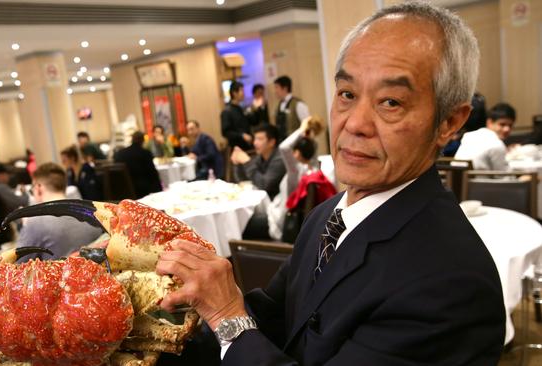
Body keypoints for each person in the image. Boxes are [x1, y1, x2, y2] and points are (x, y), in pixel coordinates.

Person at [156, 3, 505, 365]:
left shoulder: (450, 281)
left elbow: (237, 321)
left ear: (449, 122)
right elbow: (274, 314)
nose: (355, 124)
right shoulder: (329, 215)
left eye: (390, 102)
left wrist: (227, 315)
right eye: (347, 94)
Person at [16, 163, 103, 263]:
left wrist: (25, 226)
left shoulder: (35, 222)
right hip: (99, 272)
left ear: (38, 188)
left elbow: (18, 263)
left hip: (62, 276)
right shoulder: (90, 211)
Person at [454, 102, 516, 171]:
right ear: (489, 122)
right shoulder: (496, 144)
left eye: (510, 125)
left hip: (454, 179)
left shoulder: (469, 136)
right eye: (502, 124)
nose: (507, 129)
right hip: (477, 181)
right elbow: (505, 177)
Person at [231, 124, 286, 200]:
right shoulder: (260, 158)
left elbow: (264, 185)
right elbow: (243, 181)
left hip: (277, 203)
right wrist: (237, 164)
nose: (255, 143)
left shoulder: (280, 159)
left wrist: (247, 162)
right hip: (263, 200)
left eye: (260, 139)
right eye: (255, 139)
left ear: (272, 142)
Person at [114, 131, 162, 198]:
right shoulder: (145, 153)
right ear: (142, 140)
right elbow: (152, 173)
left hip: (123, 189)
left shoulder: (120, 153)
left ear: (132, 139)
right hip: (142, 190)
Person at [274, 75, 310, 140]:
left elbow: (307, 125)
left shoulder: (298, 104)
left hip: (296, 143)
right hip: (282, 143)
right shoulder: (278, 106)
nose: (275, 91)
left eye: (277, 87)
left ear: (285, 88)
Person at [221, 81, 252, 150]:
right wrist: (242, 135)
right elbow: (225, 132)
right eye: (242, 91)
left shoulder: (241, 108)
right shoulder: (227, 111)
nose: (244, 93)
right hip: (237, 147)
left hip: (248, 145)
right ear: (234, 93)